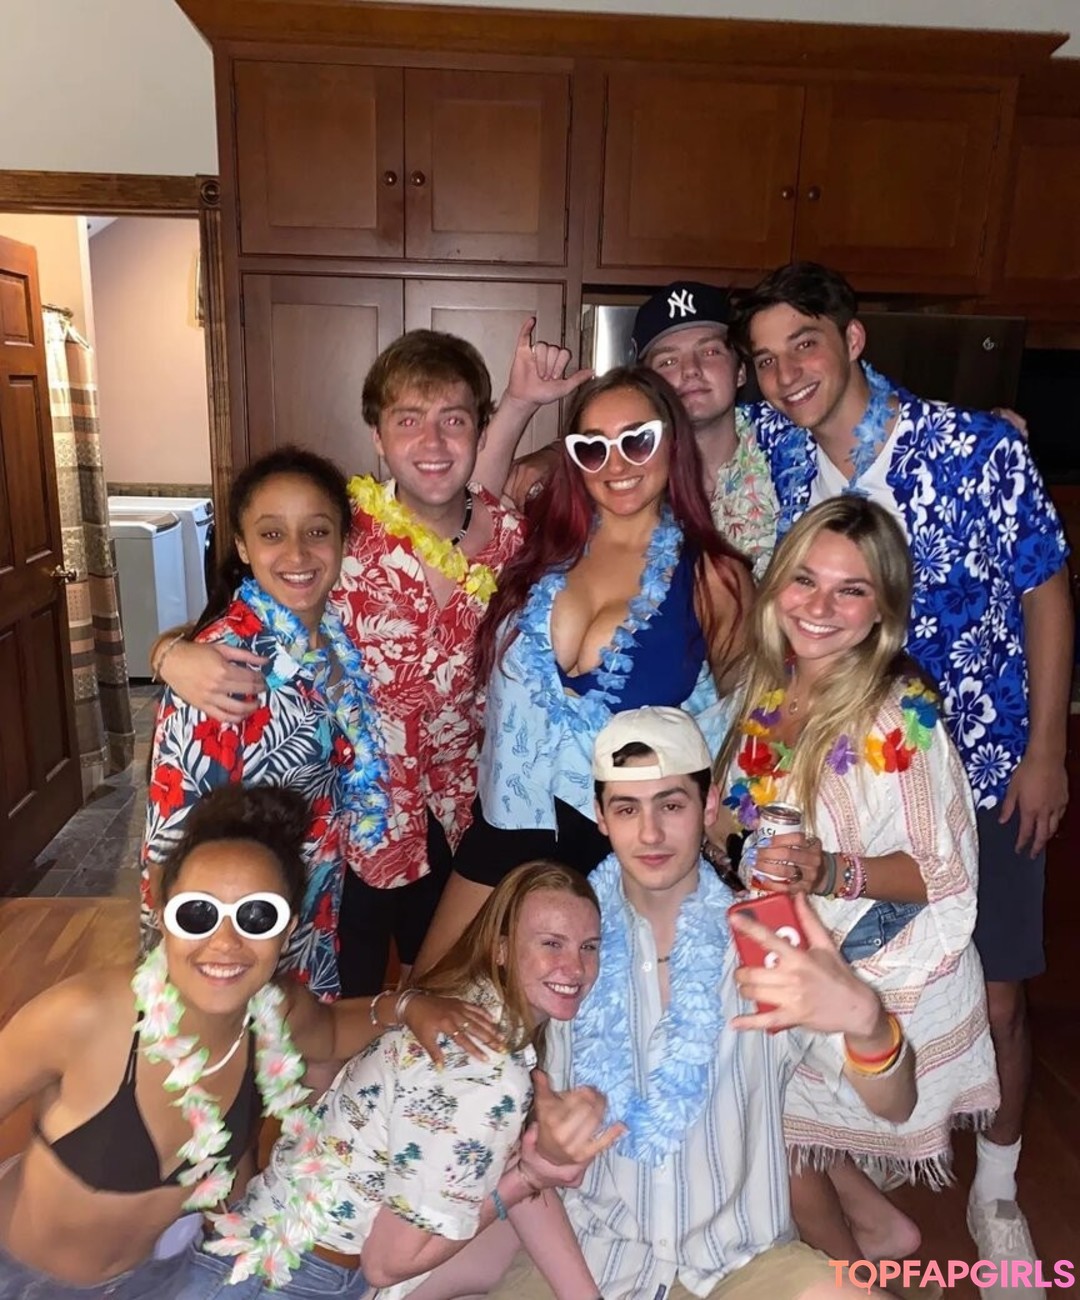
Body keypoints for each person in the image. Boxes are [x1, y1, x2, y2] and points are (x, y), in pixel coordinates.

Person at [730, 261, 1072, 1290]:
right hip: (836, 772)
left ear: (852, 339)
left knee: (998, 1000)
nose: (786, 372)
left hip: (984, 758)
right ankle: (853, 1163)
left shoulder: (973, 449)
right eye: (765, 358)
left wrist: (1047, 750)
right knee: (829, 987)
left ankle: (997, 1188)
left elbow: (1046, 590)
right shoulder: (776, 453)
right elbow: (671, 440)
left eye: (804, 344)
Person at [156, 325, 585, 998]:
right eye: (408, 421)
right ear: (378, 439)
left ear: (478, 431)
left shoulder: (513, 537)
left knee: (440, 987)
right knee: (342, 995)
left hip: (461, 811)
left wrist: (526, 411)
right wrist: (167, 653)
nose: (432, 443)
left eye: (454, 421)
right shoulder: (340, 526)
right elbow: (254, 604)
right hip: (351, 817)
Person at [0, 784, 502, 1300]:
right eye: (198, 914)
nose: (225, 942)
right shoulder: (87, 1016)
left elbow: (331, 1031)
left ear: (287, 931)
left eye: (257, 917)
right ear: (163, 913)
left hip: (158, 1276)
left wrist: (406, 1006)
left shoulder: (275, 1011)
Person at [487, 706, 917, 1300]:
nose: (651, 834)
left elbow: (896, 1106)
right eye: (627, 809)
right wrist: (550, 1152)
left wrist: (869, 1024)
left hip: (744, 1266)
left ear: (709, 806)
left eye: (671, 805)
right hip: (593, 1258)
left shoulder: (767, 942)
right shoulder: (568, 949)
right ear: (600, 817)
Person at [712, 496, 998, 1262]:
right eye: (805, 580)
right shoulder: (770, 689)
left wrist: (829, 869)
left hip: (868, 972)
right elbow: (745, 815)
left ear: (882, 612)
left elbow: (943, 870)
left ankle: (849, 1275)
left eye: (851, 590)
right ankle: (879, 1225)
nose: (819, 607)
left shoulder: (897, 718)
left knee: (761, 1125)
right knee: (760, 1109)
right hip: (788, 946)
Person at [414, 366, 752, 969]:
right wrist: (522, 408)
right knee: (429, 993)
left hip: (620, 852)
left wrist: (728, 837)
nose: (615, 463)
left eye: (637, 441)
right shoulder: (540, 541)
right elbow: (468, 501)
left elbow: (739, 724)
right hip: (507, 824)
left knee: (577, 1020)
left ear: (672, 441)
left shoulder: (715, 578)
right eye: (592, 447)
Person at [175, 860, 608, 1300]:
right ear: (501, 949)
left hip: (264, 1242)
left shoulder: (469, 1010)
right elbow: (387, 1264)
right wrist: (525, 1180)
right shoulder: (489, 1073)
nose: (574, 967)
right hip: (290, 1279)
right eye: (552, 943)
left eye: (589, 947)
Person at [141, 447, 387, 1001]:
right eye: (272, 534)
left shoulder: (333, 637)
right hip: (232, 937)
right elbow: (170, 842)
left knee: (296, 1047)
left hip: (309, 914)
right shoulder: (224, 665)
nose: (297, 553)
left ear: (343, 542)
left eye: (317, 531)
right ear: (242, 547)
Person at [503, 284, 778, 579]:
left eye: (710, 351)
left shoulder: (791, 456)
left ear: (740, 370)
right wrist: (520, 407)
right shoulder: (615, 476)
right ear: (646, 384)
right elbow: (477, 511)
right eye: (668, 361)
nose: (691, 370)